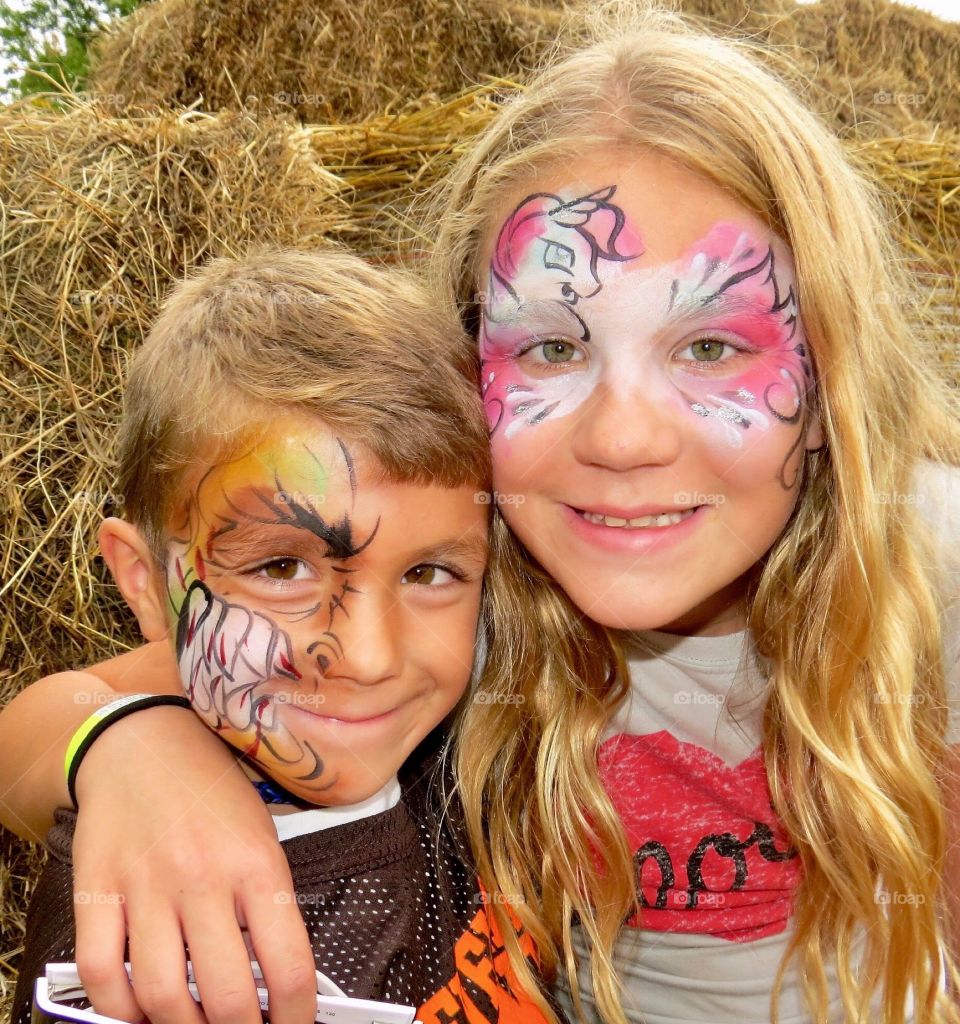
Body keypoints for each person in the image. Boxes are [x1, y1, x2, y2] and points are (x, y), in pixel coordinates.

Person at [2, 4, 958, 1023]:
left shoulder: (923, 574)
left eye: (712, 348)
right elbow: (30, 733)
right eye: (550, 349)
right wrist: (131, 749)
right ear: (471, 376)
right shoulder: (458, 590)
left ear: (826, 385)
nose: (625, 439)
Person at [6, 248, 554, 1024]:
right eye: (282, 567)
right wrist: (125, 743)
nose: (368, 658)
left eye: (429, 573)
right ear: (144, 584)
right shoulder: (148, 923)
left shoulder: (477, 723)